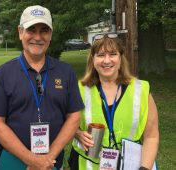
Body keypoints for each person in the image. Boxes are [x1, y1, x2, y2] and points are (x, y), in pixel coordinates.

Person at [0, 5, 84, 170]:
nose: (37, 37)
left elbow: (73, 117)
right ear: (20, 32)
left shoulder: (66, 72)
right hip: (10, 162)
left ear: (50, 34)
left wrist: (48, 158)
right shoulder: (3, 74)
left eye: (44, 30)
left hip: (51, 164)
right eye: (31, 30)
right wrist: (32, 160)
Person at [68, 33, 159, 170]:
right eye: (100, 55)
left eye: (112, 54)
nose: (106, 60)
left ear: (120, 58)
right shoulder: (79, 89)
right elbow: (64, 121)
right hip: (86, 164)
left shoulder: (141, 90)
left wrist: (144, 168)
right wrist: (77, 133)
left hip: (130, 165)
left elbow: (151, 136)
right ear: (93, 59)